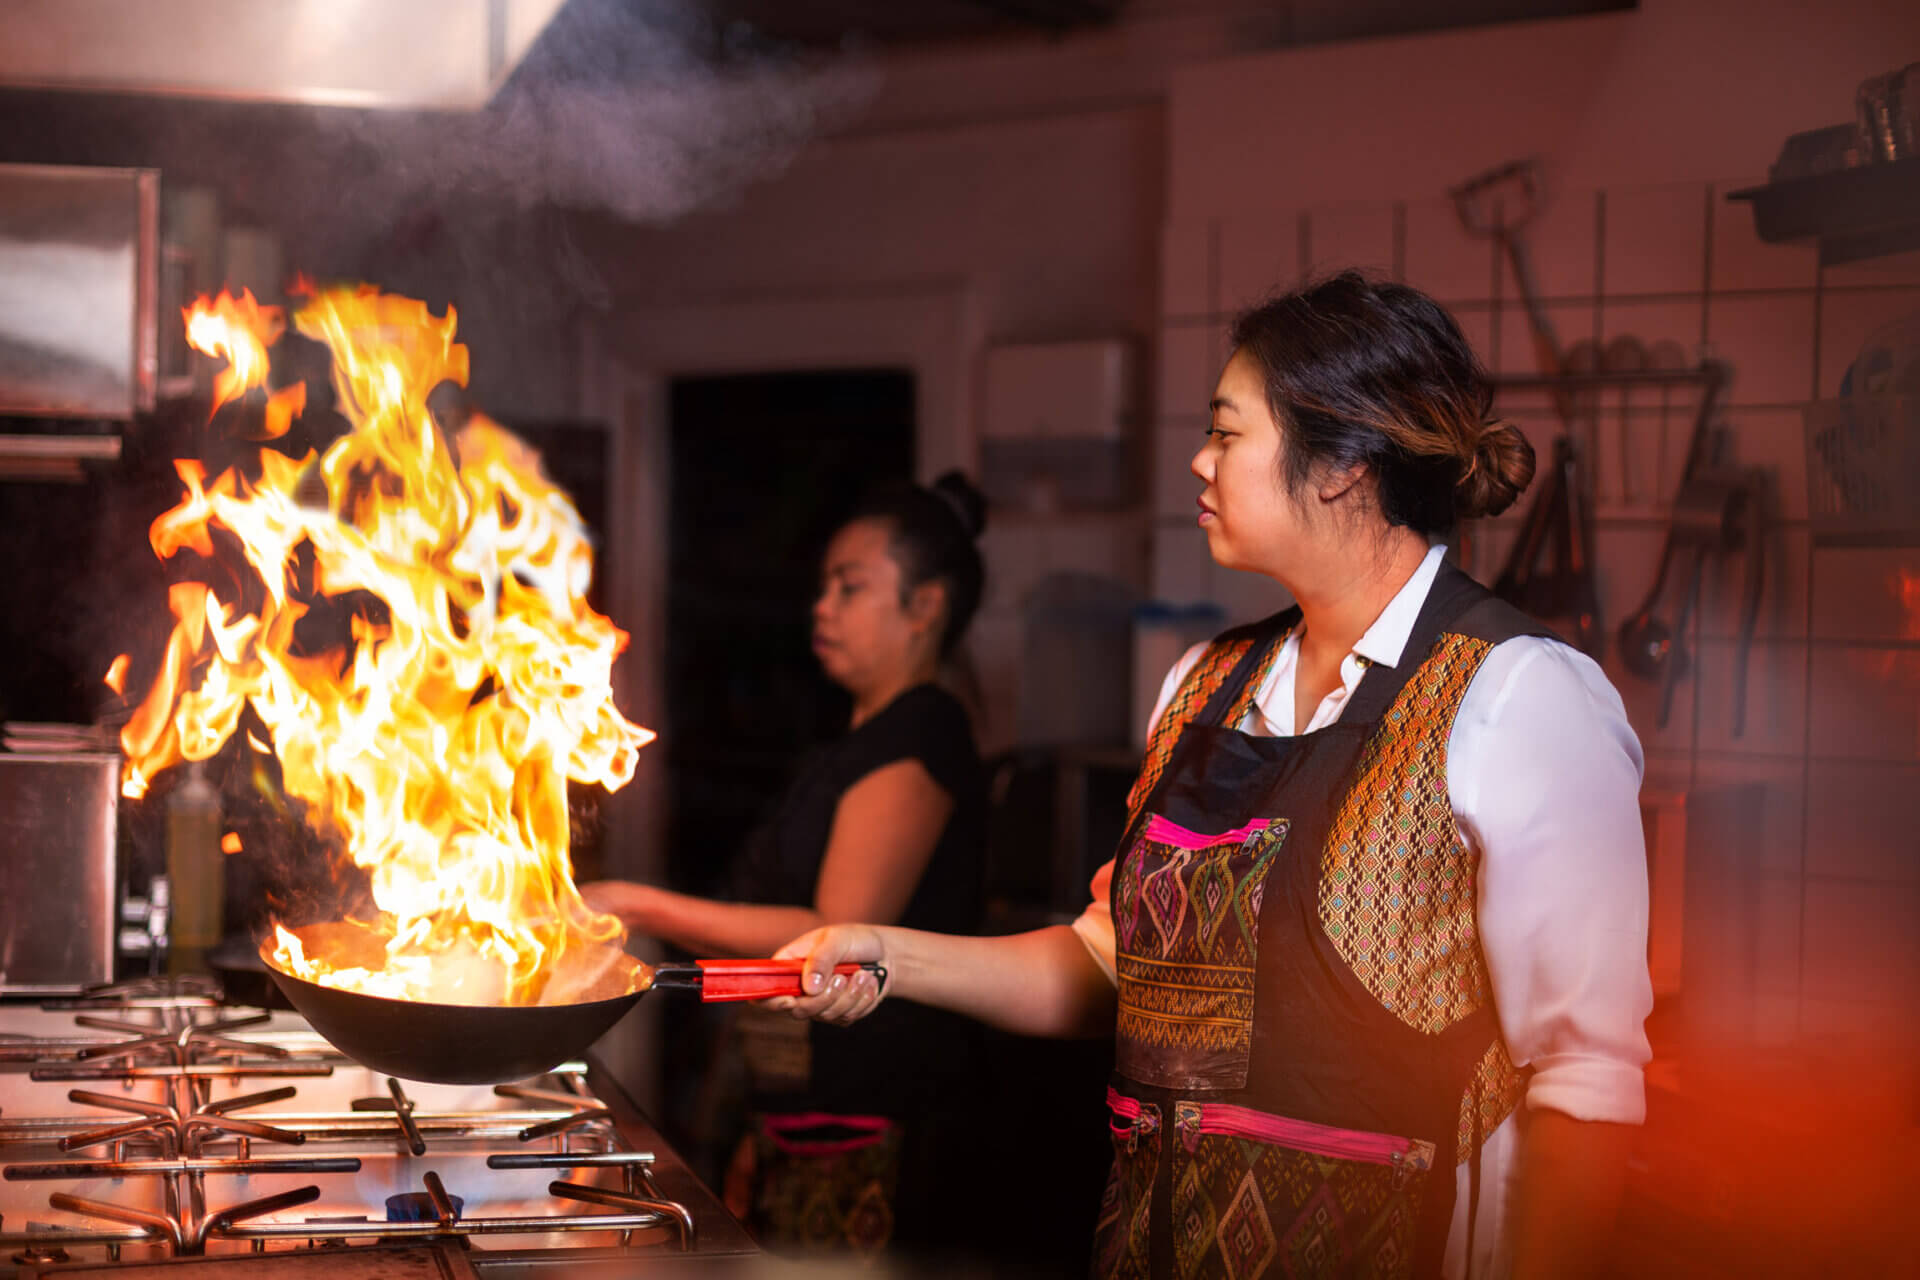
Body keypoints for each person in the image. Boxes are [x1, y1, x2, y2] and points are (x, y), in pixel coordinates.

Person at [767, 273, 1653, 1279]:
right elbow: (1108, 966)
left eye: (1227, 433)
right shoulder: (1204, 683)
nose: (1199, 460)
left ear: (1343, 464)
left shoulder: (1518, 695)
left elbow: (1583, 1080)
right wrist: (882, 953)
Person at [581, 470, 991, 1263]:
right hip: (795, 1096)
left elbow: (829, 931)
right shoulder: (856, 741)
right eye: (824, 586)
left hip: (862, 1105)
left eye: (851, 587)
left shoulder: (922, 736)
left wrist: (634, 904)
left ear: (926, 606)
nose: (823, 606)